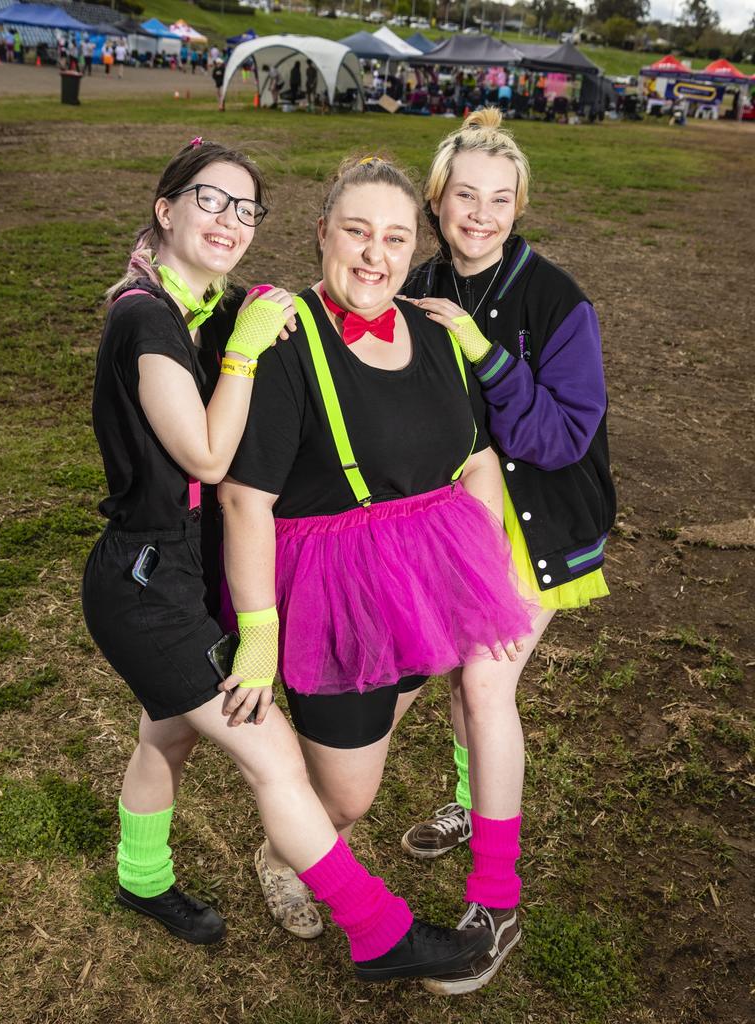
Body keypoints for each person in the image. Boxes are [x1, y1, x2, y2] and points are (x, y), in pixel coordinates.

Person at [82, 138, 492, 982]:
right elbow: (206, 459)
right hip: (146, 578)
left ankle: (141, 876)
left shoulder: (201, 304)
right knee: (272, 757)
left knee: (167, 733)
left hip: (180, 567)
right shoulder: (145, 317)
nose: (229, 221)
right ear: (165, 209)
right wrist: (244, 351)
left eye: (244, 208)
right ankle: (380, 931)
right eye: (209, 201)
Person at [219, 155, 535, 977]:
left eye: (394, 238)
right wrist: (259, 632)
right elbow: (244, 501)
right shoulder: (287, 340)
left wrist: (490, 568)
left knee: (376, 742)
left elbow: (477, 455)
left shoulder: (433, 332)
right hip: (335, 590)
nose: (374, 255)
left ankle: (309, 835)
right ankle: (287, 848)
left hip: (432, 575)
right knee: (352, 792)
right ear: (322, 232)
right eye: (356, 231)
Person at [398, 107, 616, 993]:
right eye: (463, 197)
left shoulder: (556, 300)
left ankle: (497, 899)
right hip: (457, 523)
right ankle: (465, 797)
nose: (479, 214)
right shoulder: (415, 280)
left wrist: (483, 351)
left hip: (541, 524)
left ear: (518, 205)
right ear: (437, 200)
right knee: (457, 680)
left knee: (486, 682)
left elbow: (565, 436)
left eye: (498, 199)